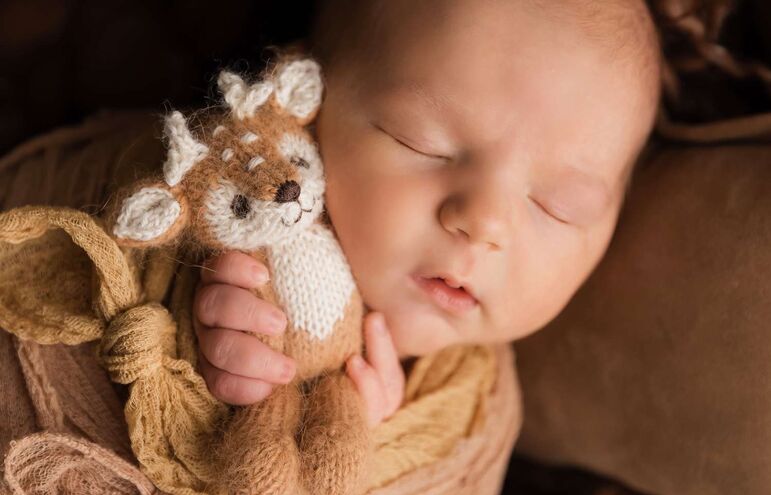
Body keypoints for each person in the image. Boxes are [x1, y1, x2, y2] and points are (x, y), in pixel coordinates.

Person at [192, 0, 661, 427]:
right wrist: (194, 315)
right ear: (306, 100)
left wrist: (356, 433)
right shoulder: (238, 202)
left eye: (558, 206)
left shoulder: (484, 410)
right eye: (422, 143)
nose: (485, 222)